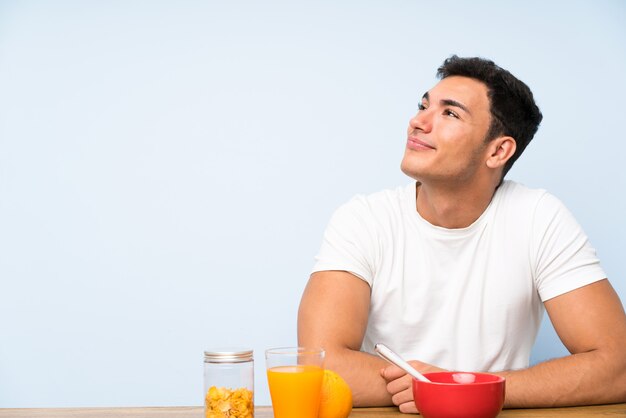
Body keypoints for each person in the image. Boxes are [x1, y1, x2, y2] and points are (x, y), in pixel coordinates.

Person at [297, 55, 626, 412]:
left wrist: (457, 387)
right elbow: (319, 366)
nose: (418, 122)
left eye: (449, 113)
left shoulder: (538, 217)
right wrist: (449, 388)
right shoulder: (363, 219)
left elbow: (618, 367)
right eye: (424, 106)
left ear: (498, 150)